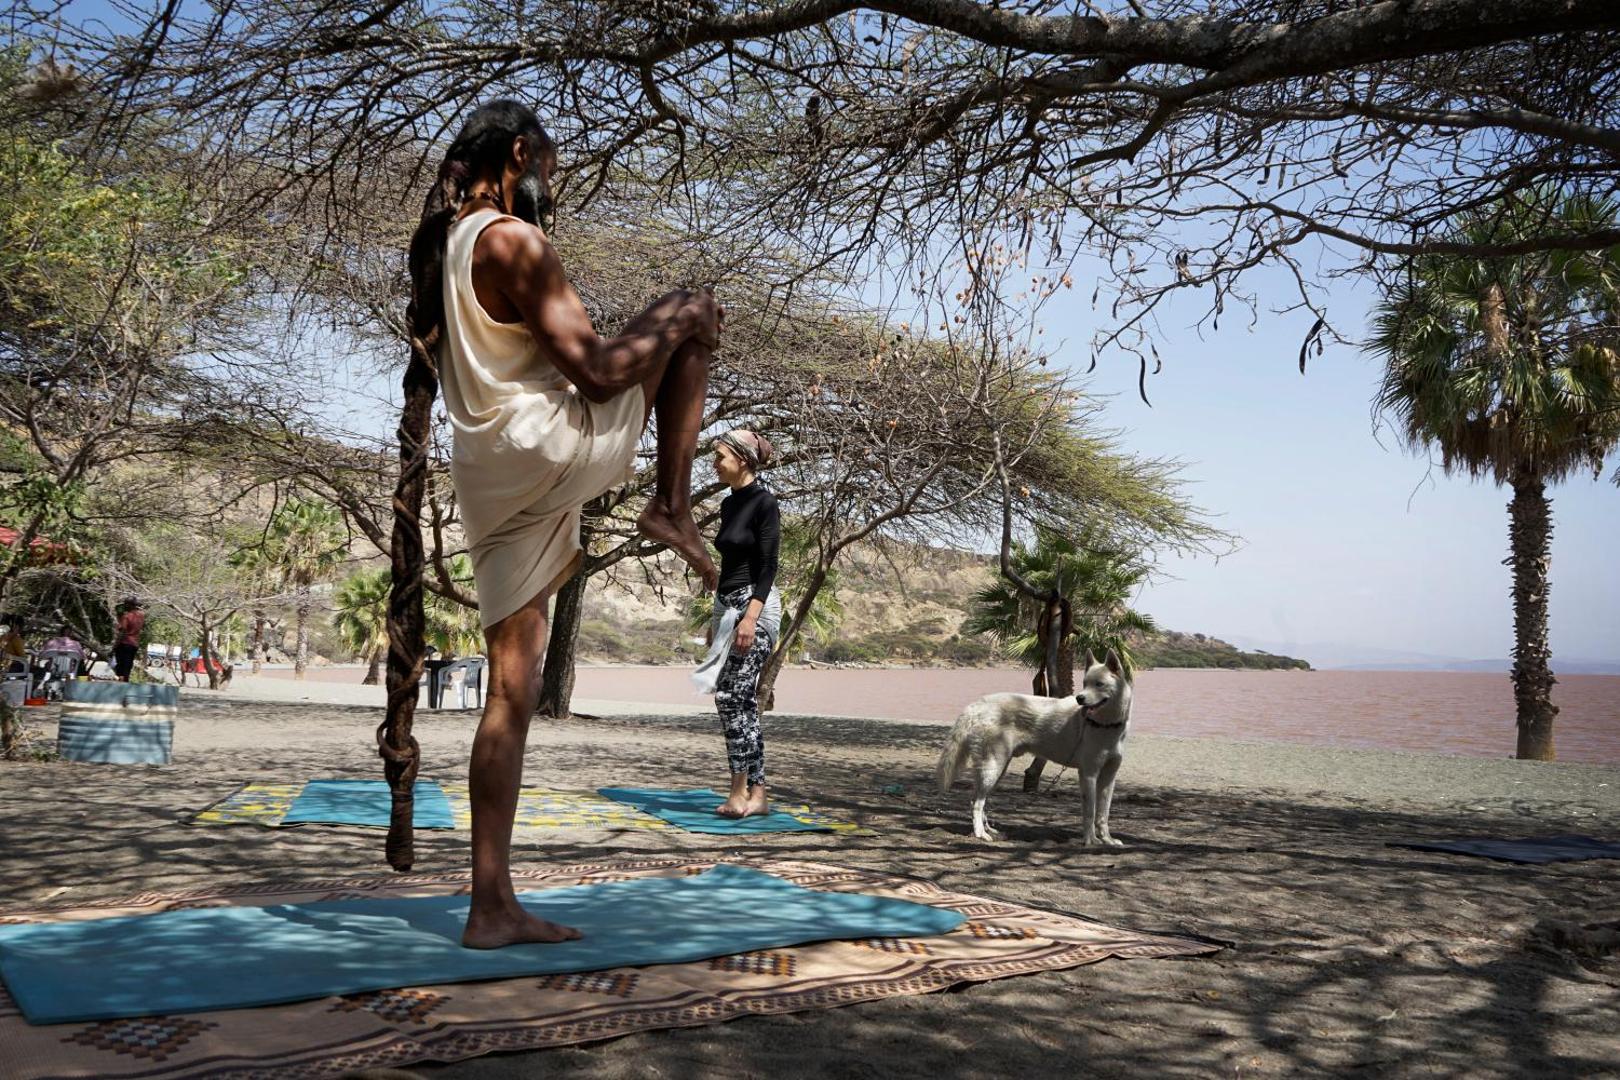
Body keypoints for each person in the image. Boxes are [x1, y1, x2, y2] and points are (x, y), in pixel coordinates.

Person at [407, 100, 724, 949]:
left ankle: (490, 907)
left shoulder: (445, 248)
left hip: (489, 476)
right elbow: (593, 371)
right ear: (519, 154)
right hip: (550, 444)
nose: (555, 182)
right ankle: (673, 506)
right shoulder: (512, 239)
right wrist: (668, 318)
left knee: (511, 692)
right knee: (695, 313)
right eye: (551, 164)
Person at [695, 430, 783, 818]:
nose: (714, 463)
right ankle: (758, 795)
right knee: (740, 701)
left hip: (756, 610)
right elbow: (732, 563)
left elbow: (768, 566)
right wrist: (717, 616)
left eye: (720, 456)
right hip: (727, 606)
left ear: (743, 460)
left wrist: (750, 617)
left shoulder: (764, 503)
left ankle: (739, 792)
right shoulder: (730, 504)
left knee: (731, 698)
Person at [112, 598, 144, 682]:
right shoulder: (141, 616)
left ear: (130, 605)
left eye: (126, 604)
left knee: (120, 667)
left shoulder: (126, 616)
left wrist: (115, 646)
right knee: (128, 666)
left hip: (124, 643)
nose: (125, 606)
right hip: (134, 644)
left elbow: (122, 632)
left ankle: (121, 684)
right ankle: (125, 683)